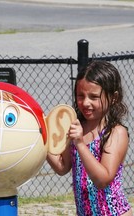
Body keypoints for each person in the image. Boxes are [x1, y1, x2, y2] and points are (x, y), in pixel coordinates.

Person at [47, 60, 133, 216]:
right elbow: (63, 166)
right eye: (81, 96)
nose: (85, 102)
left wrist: (79, 143)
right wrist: (43, 139)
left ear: (113, 97)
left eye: (94, 97)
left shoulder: (115, 133)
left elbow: (102, 179)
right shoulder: (76, 126)